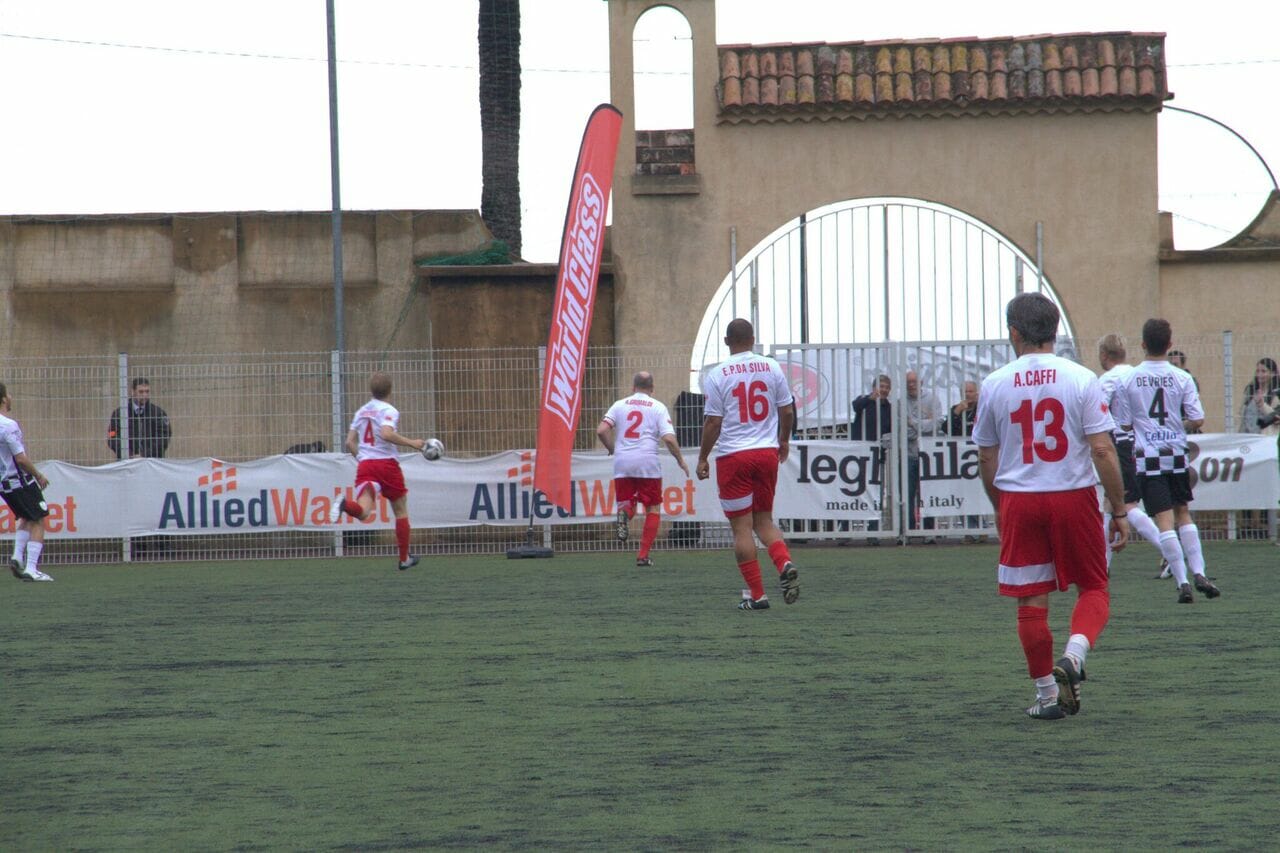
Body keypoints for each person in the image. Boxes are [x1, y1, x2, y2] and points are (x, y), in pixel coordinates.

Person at [972, 293, 1129, 721]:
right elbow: (1102, 450)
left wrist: (999, 505)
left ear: (1015, 332)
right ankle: (1075, 656)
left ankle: (1045, 696)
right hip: (1073, 495)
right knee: (1094, 587)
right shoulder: (1081, 378)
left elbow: (987, 457)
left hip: (1020, 499)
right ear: (1055, 331)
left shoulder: (995, 383)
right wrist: (1119, 509)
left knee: (1030, 601)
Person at [1111, 319, 1220, 604]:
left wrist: (1143, 426)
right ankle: (1200, 572)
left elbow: (1122, 424)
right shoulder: (1182, 377)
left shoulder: (1128, 379)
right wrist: (1175, 425)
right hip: (1176, 454)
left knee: (1164, 520)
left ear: (1143, 344)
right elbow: (1197, 418)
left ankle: (1182, 581)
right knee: (1183, 511)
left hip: (1148, 458)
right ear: (1170, 345)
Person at [696, 318, 799, 611]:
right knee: (764, 520)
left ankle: (757, 595)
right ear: (753, 338)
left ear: (727, 342)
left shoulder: (717, 374)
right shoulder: (771, 367)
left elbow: (714, 422)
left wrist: (703, 457)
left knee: (742, 529)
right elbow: (787, 411)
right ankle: (784, 562)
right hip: (766, 454)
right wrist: (784, 440)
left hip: (734, 456)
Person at [328, 371, 428, 571]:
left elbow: (349, 442)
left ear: (371, 390)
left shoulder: (361, 411)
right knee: (400, 511)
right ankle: (403, 558)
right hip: (387, 465)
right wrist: (414, 444)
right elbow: (386, 433)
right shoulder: (389, 409)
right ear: (390, 390)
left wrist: (364, 458)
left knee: (363, 513)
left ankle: (345, 504)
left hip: (366, 465)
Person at [596, 371, 690, 567]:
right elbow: (669, 439)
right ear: (652, 389)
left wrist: (612, 449)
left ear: (633, 387)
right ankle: (643, 555)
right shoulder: (658, 407)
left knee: (627, 504)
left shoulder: (619, 405)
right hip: (647, 462)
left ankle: (624, 516)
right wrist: (680, 460)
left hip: (623, 462)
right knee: (653, 508)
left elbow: (602, 430)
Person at [1096, 334, 1166, 572]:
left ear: (1104, 355)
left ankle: (1169, 550)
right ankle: (1102, 567)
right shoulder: (1138, 375)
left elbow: (1099, 412)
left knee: (1126, 504)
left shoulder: (1108, 379)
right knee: (1112, 503)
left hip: (1120, 443)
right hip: (1145, 442)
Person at [1, 383, 54, 581]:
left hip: (3, 484)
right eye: (9, 394)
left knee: (25, 516)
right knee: (39, 518)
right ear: (5, 399)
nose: (11, 397)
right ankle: (32, 568)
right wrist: (38, 475)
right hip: (18, 480)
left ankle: (17, 557)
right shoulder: (8, 425)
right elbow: (21, 458)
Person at [850, 374, 892, 536]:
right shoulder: (865, 401)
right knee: (852, 490)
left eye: (887, 387)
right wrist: (870, 398)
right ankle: (845, 530)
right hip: (857, 455)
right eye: (881, 386)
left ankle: (872, 531)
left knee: (875, 492)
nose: (884, 390)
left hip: (877, 455)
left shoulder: (889, 408)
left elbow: (889, 430)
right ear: (874, 387)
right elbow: (856, 406)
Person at [904, 369, 942, 539]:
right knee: (907, 494)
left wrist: (913, 424)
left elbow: (938, 424)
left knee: (929, 493)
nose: (911, 384)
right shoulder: (900, 402)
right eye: (908, 382)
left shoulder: (932, 398)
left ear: (921, 383)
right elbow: (902, 430)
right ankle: (908, 531)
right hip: (908, 453)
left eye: (914, 381)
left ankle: (929, 531)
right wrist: (923, 426)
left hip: (928, 454)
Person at [946, 380, 982, 537]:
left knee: (979, 492)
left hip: (979, 457)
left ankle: (981, 526)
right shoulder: (957, 409)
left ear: (977, 393)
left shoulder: (982, 408)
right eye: (965, 392)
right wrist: (956, 413)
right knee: (962, 492)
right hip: (961, 460)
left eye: (970, 391)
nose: (968, 394)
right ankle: (969, 529)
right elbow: (945, 429)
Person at [107, 377, 172, 459]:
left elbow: (164, 437)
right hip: (127, 460)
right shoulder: (119, 413)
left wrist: (145, 454)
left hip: (152, 461)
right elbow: (112, 437)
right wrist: (128, 454)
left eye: (147, 391)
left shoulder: (158, 413)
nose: (144, 395)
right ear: (133, 392)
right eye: (141, 392)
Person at [1239, 357, 1280, 436]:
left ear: (1273, 373)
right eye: (1257, 371)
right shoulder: (1251, 391)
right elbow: (1242, 415)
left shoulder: (1276, 394)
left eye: (1263, 371)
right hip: (1248, 436)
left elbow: (1275, 417)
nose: (1259, 374)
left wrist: (1262, 404)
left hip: (1266, 438)